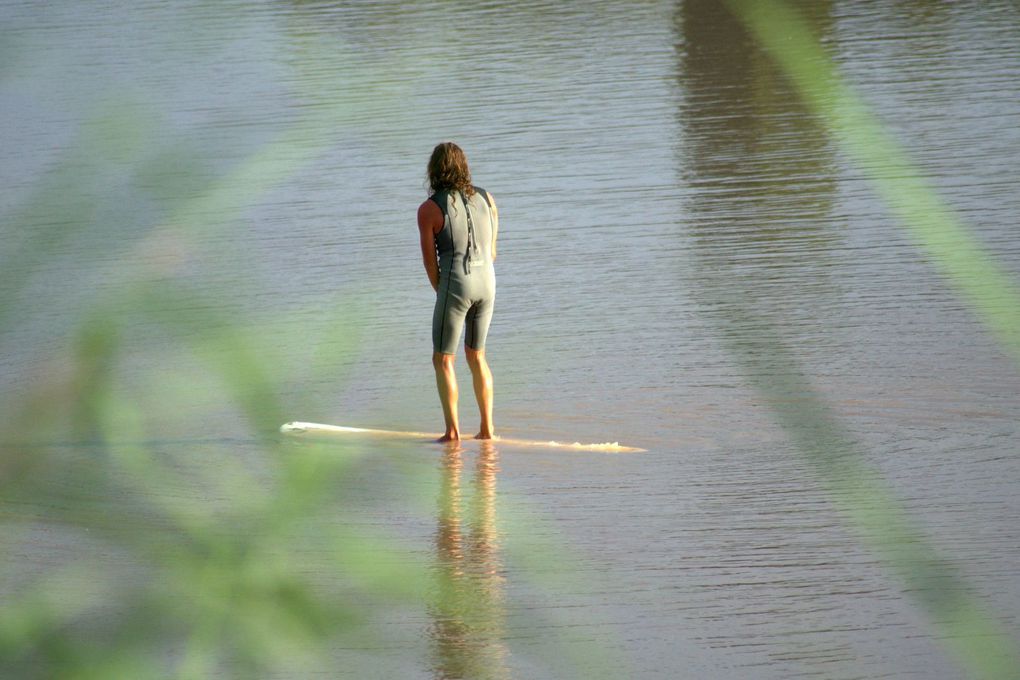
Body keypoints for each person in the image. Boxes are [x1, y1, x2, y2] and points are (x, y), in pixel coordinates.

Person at [417, 142, 498, 442]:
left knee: (443, 359)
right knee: (477, 356)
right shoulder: (489, 199)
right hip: (488, 283)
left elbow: (430, 263)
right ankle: (487, 430)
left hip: (457, 282)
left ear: (434, 170)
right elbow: (493, 251)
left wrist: (446, 293)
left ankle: (452, 433)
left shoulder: (428, 209)